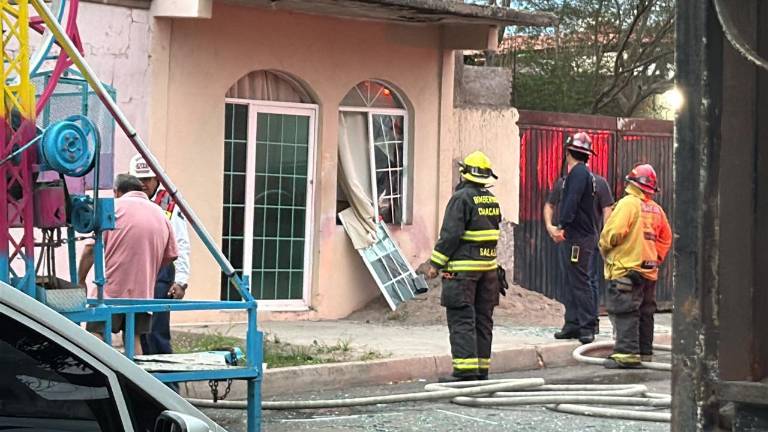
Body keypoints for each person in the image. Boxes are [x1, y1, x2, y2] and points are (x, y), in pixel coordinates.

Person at [425, 151, 503, 382]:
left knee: (462, 319)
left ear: (464, 173)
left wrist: (435, 264)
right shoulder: (491, 199)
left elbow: (450, 235)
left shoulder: (461, 198)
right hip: (489, 271)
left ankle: (465, 371)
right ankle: (481, 370)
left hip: (463, 273)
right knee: (483, 320)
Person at [79, 174, 178, 355]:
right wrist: (149, 268)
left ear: (117, 191)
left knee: (96, 333)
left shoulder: (112, 209)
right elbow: (171, 255)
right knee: (134, 338)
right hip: (143, 292)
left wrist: (80, 279)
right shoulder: (160, 214)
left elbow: (90, 249)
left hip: (110, 291)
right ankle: (134, 374)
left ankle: (100, 371)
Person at [599, 164, 672, 369]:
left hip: (626, 269)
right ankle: (644, 352)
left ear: (631, 183)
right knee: (645, 313)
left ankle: (626, 354)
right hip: (648, 271)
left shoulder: (627, 204)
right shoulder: (657, 210)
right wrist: (655, 256)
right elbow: (666, 237)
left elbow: (613, 233)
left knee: (625, 311)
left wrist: (604, 246)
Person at [128, 154, 191, 355]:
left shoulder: (168, 204)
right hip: (135, 273)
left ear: (157, 179)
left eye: (147, 179)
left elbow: (181, 242)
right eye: (138, 179)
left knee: (156, 332)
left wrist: (181, 280)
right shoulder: (127, 201)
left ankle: (165, 375)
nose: (143, 184)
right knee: (137, 331)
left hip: (160, 272)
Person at [544, 169, 613, 338]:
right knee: (570, 281)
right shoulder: (563, 183)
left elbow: (607, 209)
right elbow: (550, 205)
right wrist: (550, 227)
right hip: (568, 239)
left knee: (587, 282)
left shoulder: (598, 183)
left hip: (588, 240)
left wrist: (605, 236)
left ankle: (589, 325)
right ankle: (573, 324)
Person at [550, 132, 599, 344]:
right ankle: (572, 324)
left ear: (568, 151)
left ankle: (586, 327)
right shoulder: (584, 173)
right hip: (578, 236)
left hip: (578, 238)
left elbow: (571, 201)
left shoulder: (578, 174)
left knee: (579, 282)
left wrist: (562, 225)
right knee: (571, 281)